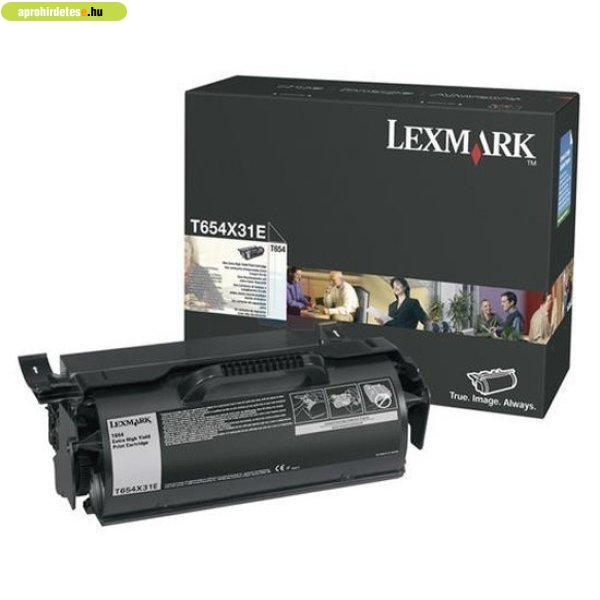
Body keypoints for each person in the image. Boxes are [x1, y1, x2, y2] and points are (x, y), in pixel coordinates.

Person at [184, 237, 224, 310]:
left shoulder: (201, 272)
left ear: (191, 253)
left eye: (185, 251)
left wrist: (200, 303)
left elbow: (219, 301)